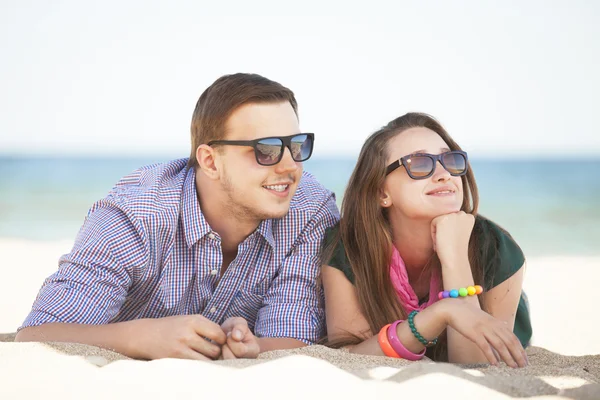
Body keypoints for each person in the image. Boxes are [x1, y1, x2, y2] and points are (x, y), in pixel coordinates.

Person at [16, 73, 340, 361]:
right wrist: (141, 337)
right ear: (210, 161)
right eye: (265, 150)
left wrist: (251, 348)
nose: (290, 166)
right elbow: (36, 336)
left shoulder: (309, 210)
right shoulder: (136, 214)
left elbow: (293, 339)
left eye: (297, 146)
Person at [321, 112, 531, 368]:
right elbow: (350, 357)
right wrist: (440, 314)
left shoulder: (497, 248)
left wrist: (455, 257)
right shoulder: (350, 246)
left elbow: (474, 367)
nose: (444, 174)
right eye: (419, 163)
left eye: (451, 160)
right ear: (381, 192)